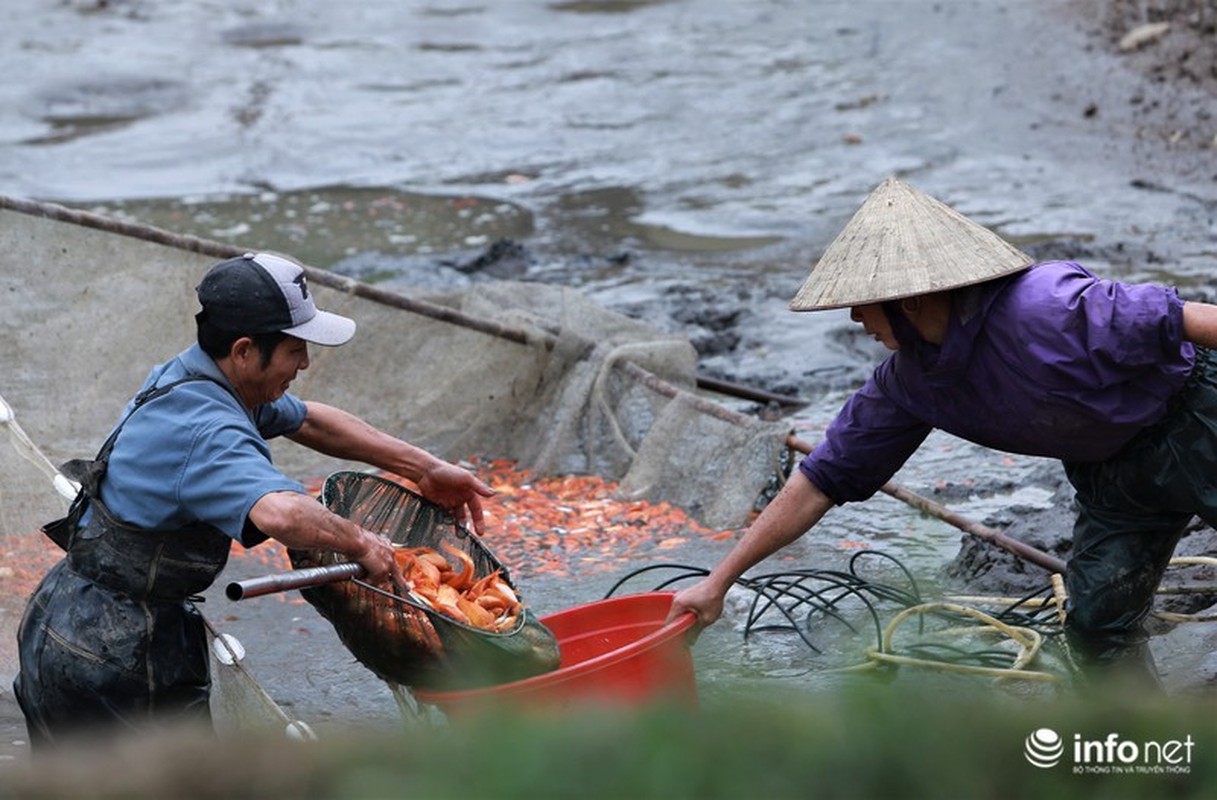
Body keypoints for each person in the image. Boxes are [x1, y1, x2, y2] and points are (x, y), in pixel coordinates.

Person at [669, 177, 1217, 687]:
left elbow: (1187, 318)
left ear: (910, 300)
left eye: (863, 307)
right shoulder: (911, 383)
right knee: (1098, 625)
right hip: (1112, 476)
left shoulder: (1046, 307)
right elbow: (822, 479)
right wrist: (719, 581)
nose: (857, 321)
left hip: (1195, 418)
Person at [13, 251, 495, 747]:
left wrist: (425, 468)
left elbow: (307, 419)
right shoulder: (207, 429)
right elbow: (281, 511)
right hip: (109, 652)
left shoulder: (201, 378)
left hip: (86, 616)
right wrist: (363, 544)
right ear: (245, 350)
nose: (305, 362)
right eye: (294, 350)